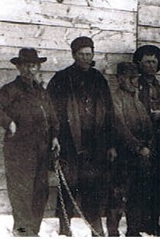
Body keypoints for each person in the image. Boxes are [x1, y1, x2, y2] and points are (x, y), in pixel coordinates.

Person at [0, 48, 60, 237]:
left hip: (41, 150)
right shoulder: (10, 90)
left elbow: (52, 116)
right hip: (19, 151)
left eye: (33, 65)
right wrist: (8, 122)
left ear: (38, 67)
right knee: (22, 193)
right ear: (19, 67)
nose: (29, 69)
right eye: (25, 65)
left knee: (40, 193)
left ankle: (33, 231)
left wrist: (55, 136)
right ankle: (23, 231)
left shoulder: (41, 91)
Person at [47, 36, 116, 236]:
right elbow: (52, 112)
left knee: (93, 189)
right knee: (68, 187)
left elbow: (109, 112)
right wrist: (55, 137)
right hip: (69, 144)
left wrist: (111, 144)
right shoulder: (61, 78)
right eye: (82, 54)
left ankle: (96, 229)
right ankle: (64, 229)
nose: (86, 58)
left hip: (95, 146)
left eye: (89, 54)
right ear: (74, 55)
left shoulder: (98, 79)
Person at [107, 62, 154, 237]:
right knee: (118, 195)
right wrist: (138, 146)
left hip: (140, 156)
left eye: (135, 78)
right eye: (130, 78)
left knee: (137, 194)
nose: (134, 82)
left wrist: (148, 144)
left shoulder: (137, 99)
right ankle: (113, 231)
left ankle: (133, 230)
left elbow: (147, 124)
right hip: (123, 155)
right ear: (120, 79)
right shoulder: (115, 99)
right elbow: (120, 127)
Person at [132, 44, 160, 236]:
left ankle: (153, 223)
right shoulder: (134, 86)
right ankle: (137, 224)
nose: (151, 66)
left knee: (157, 185)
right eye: (147, 62)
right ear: (139, 64)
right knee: (139, 185)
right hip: (139, 144)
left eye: (154, 62)